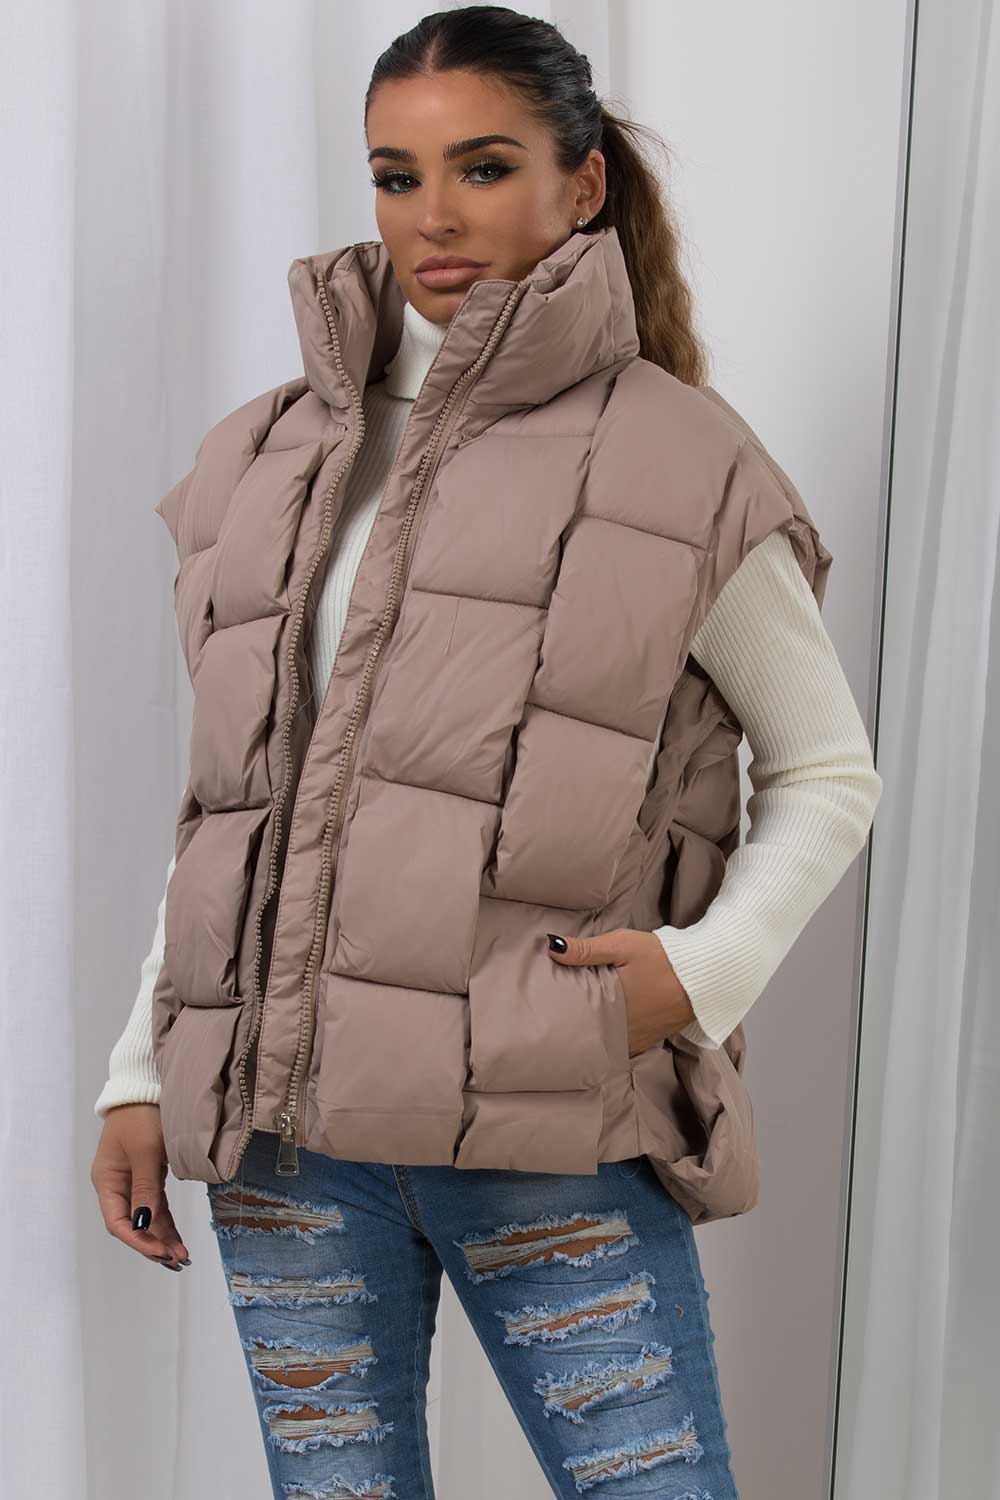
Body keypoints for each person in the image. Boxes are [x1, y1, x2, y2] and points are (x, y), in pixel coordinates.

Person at [89, 7, 882, 1497]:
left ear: (583, 185)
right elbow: (242, 818)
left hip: (544, 1124)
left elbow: (829, 771)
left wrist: (702, 973)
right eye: (397, 176)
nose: (433, 217)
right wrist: (140, 1068)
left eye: (484, 166)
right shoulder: (265, 457)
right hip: (283, 1142)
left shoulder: (682, 461)